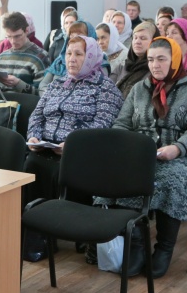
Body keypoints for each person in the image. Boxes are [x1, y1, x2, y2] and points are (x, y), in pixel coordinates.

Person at [96, 37, 187, 278]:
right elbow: (122, 123)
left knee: (171, 178)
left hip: (182, 155)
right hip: (141, 152)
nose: (155, 65)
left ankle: (164, 249)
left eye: (161, 59)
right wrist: (128, 147)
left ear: (175, 60)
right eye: (150, 59)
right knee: (117, 174)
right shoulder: (140, 88)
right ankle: (137, 245)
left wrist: (177, 149)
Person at [26, 36, 123, 205]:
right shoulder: (58, 84)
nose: (71, 59)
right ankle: (31, 224)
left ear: (91, 57)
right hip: (45, 149)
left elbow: (103, 125)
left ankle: (61, 225)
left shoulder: (104, 87)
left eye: (78, 54)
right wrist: (33, 136)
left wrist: (73, 145)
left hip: (79, 155)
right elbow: (37, 115)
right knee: (30, 165)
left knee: (61, 170)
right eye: (69, 53)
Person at [39, 21, 109, 94]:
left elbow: (100, 90)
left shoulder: (99, 63)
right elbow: (43, 85)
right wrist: (52, 97)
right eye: (71, 36)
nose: (74, 39)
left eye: (79, 36)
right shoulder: (60, 61)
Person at [0, 11, 49, 94]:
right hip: (0, 102)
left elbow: (42, 94)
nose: (13, 41)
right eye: (9, 37)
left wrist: (18, 84)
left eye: (17, 36)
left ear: (26, 31)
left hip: (25, 104)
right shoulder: (2, 56)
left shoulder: (40, 56)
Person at [110, 21, 158, 98]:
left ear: (154, 41)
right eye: (135, 38)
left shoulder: (155, 69)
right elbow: (108, 89)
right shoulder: (123, 66)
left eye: (143, 38)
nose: (137, 42)